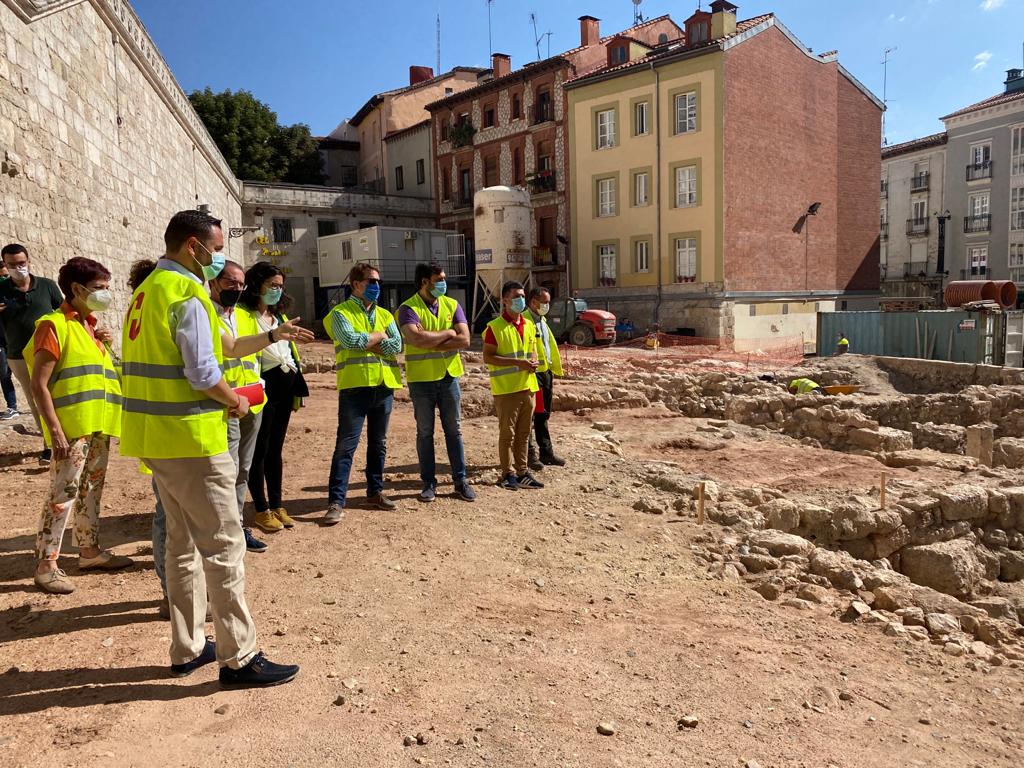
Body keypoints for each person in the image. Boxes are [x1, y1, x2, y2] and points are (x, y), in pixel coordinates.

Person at [120, 209, 298, 686]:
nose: (219, 259)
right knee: (224, 546)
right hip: (194, 440)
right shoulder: (186, 294)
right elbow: (204, 373)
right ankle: (239, 658)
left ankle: (188, 647)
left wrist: (272, 335)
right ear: (193, 247)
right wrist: (236, 400)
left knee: (181, 547)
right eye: (216, 249)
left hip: (156, 440)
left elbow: (229, 346)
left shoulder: (147, 293)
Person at [24, 257, 132, 594]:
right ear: (76, 289)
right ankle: (46, 564)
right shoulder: (53, 325)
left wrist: (105, 344)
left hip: (98, 426)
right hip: (71, 430)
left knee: (90, 491)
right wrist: (54, 429)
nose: (105, 294)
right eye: (99, 288)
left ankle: (89, 551)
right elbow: (38, 384)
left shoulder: (90, 328)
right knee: (63, 494)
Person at [322, 263, 403, 525]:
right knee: (346, 445)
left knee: (378, 444)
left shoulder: (387, 315)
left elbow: (397, 346)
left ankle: (374, 492)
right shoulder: (339, 313)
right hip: (355, 388)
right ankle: (336, 501)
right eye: (371, 281)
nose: (376, 286)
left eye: (378, 281)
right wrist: (379, 337)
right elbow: (349, 342)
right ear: (356, 284)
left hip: (383, 387)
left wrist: (370, 341)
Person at [240, 261, 310, 532]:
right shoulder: (244, 315)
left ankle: (277, 504)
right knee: (259, 449)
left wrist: (297, 389)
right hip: (262, 388)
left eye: (281, 287)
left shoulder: (279, 317)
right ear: (257, 285)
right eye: (272, 286)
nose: (277, 291)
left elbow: (290, 353)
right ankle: (261, 508)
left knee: (275, 450)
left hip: (285, 387)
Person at [398, 262, 475, 503]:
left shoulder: (452, 305)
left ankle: (460, 481)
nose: (443, 282)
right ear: (424, 282)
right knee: (425, 432)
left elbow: (465, 339)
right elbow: (415, 338)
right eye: (438, 279)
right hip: (421, 381)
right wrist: (448, 332)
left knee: (455, 430)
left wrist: (433, 339)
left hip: (449, 377)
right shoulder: (407, 308)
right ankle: (428, 483)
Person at [0, 244, 65, 462]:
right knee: (35, 399)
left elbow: (65, 312)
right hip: (18, 355)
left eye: (21, 263)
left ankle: (66, 436)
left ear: (29, 260)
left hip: (49, 352)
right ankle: (49, 444)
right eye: (12, 265)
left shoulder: (47, 286)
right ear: (5, 266)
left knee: (57, 395)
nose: (18, 268)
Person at [483, 281, 543, 490]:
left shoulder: (528, 325)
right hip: (507, 389)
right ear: (505, 300)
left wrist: (533, 362)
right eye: (516, 296)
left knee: (524, 433)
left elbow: (531, 349)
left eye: (523, 296)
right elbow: (488, 357)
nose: (521, 300)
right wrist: (518, 363)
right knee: (507, 435)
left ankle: (523, 471)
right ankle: (508, 474)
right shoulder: (494, 328)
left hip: (528, 387)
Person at [525, 287, 566, 468]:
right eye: (544, 302)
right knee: (531, 416)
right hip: (533, 374)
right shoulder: (525, 321)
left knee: (543, 415)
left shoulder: (542, 321)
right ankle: (529, 455)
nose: (547, 306)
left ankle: (546, 453)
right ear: (533, 302)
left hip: (546, 373)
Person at [0, 261, 18, 419]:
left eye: (6, 276)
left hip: (16, 341)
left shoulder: (14, 293)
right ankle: (12, 407)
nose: (4, 279)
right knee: (4, 374)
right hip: (2, 342)